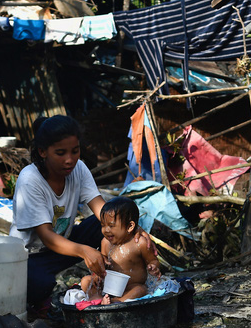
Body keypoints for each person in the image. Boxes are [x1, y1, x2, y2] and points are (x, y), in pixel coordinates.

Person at [9, 115, 152, 310]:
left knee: (105, 223)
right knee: (38, 284)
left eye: (75, 151)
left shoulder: (79, 168)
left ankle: (121, 273)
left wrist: (136, 233)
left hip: (65, 245)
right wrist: (84, 251)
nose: (70, 160)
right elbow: (48, 237)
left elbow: (103, 210)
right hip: (31, 256)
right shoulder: (30, 180)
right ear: (43, 152)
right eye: (61, 153)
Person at [81, 197, 161, 304]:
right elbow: (103, 259)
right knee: (85, 281)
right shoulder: (105, 242)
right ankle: (97, 297)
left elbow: (153, 260)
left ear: (130, 226)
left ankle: (117, 301)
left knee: (141, 290)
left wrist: (153, 266)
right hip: (109, 285)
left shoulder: (139, 243)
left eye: (111, 226)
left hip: (131, 287)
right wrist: (99, 270)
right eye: (103, 225)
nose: (106, 230)